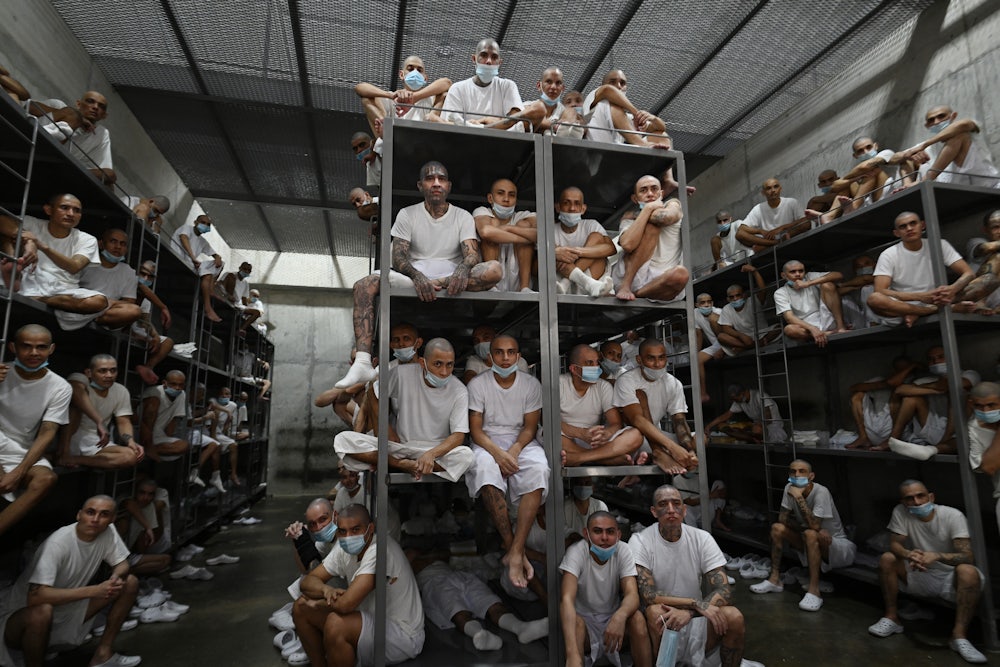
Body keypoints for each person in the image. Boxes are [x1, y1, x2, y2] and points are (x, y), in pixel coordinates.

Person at [334, 161, 501, 388]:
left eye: (441, 179)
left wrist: (461, 269)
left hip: (452, 279)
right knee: (363, 285)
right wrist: (418, 276)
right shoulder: (407, 214)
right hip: (412, 279)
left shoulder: (462, 216)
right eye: (430, 179)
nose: (436, 183)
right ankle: (362, 362)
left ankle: (439, 281)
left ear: (449, 186)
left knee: (494, 270)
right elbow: (399, 258)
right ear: (420, 185)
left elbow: (472, 255)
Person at [0, 495, 140, 667]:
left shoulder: (108, 531)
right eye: (90, 512)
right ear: (79, 515)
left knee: (129, 582)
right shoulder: (58, 543)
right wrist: (95, 590)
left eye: (104, 514)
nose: (95, 519)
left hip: (67, 610)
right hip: (21, 619)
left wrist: (115, 577)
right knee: (41, 612)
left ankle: (102, 655)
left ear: (112, 519)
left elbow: (122, 564)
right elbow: (35, 598)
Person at [630, 485, 760, 667]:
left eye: (676, 504)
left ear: (684, 510)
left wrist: (690, 612)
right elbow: (648, 595)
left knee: (734, 616)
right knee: (654, 612)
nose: (671, 509)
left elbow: (724, 591)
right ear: (654, 511)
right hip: (663, 621)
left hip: (694, 618)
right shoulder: (640, 541)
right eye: (663, 504)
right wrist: (695, 603)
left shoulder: (702, 538)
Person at [867, 480, 987, 664]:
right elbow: (895, 544)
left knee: (968, 571)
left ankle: (959, 636)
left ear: (931, 497)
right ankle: (892, 618)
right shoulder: (901, 511)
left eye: (920, 496)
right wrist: (909, 554)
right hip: (919, 571)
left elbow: (967, 556)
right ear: (903, 502)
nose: (916, 502)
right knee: (887, 559)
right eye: (910, 498)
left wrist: (937, 556)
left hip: (949, 579)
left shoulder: (952, 516)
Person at [292, 504, 424, 667]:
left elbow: (346, 604)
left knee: (336, 624)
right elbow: (307, 582)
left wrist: (324, 601)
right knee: (301, 606)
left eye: (355, 530)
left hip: (402, 635)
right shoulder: (343, 547)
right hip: (368, 621)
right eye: (342, 531)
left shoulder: (380, 550)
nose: (348, 537)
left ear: (370, 529)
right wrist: (326, 590)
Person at [466, 335, 548, 590]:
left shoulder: (531, 384)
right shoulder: (478, 384)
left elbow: (530, 427)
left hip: (520, 441)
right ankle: (514, 549)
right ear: (490, 357)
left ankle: (515, 549)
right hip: (487, 441)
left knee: (539, 468)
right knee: (484, 470)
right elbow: (475, 430)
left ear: (518, 356)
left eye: (511, 352)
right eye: (499, 352)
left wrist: (513, 450)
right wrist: (497, 454)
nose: (505, 358)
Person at [334, 338, 474, 481]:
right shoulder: (402, 373)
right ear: (422, 363)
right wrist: (384, 429)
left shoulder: (459, 390)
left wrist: (431, 454)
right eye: (438, 364)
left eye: (449, 365)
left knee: (466, 456)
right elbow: (373, 392)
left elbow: (458, 435)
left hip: (436, 451)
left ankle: (406, 465)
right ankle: (401, 464)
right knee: (343, 439)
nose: (444, 372)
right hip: (400, 446)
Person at [749, 459, 856, 612]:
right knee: (777, 528)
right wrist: (813, 528)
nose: (797, 475)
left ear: (811, 476)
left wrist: (799, 498)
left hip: (837, 546)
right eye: (793, 471)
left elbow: (815, 525)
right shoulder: (789, 488)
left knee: (810, 533)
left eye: (802, 471)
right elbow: (783, 519)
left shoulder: (821, 492)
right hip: (810, 538)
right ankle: (774, 579)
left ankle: (814, 591)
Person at [408, 549, 548, 651]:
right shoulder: (407, 563)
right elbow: (410, 556)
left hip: (460, 576)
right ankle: (479, 634)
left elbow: (446, 553)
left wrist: (430, 553)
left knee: (492, 603)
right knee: (458, 611)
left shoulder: (435, 556)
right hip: (434, 583)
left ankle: (521, 628)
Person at [0, 324, 67, 537]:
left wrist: (19, 471)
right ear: (13, 347)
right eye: (26, 346)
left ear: (51, 349)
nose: (34, 353)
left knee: (46, 479)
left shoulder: (60, 386)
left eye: (41, 347)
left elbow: (48, 431)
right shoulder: (1, 372)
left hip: (21, 448)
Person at [0, 194, 107, 326]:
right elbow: (2, 220)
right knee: (7, 236)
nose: (71, 214)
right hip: (27, 281)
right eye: (64, 208)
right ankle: (13, 268)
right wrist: (28, 241)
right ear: (48, 210)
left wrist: (41, 246)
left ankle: (38, 299)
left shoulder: (87, 239)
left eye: (76, 210)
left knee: (98, 302)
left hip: (61, 291)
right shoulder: (32, 223)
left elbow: (74, 266)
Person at [560, 510, 650, 667]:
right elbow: (566, 599)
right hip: (586, 625)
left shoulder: (623, 550)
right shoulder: (576, 552)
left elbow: (632, 594)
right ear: (586, 534)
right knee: (576, 623)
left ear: (618, 535)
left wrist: (620, 616)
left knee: (637, 618)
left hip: (612, 619)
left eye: (610, 532)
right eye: (597, 531)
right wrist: (571, 654)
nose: (604, 537)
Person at [867, 211, 975, 327]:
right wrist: (920, 296)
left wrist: (952, 289)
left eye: (913, 223)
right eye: (903, 227)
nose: (909, 228)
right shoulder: (888, 254)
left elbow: (969, 273)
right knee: (875, 299)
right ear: (897, 233)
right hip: (904, 306)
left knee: (985, 281)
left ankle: (921, 312)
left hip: (940, 300)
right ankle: (931, 311)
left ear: (922, 225)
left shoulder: (939, 244)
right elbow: (880, 290)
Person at [613, 338, 697, 475]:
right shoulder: (627, 380)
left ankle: (657, 456)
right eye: (651, 358)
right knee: (635, 436)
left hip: (658, 437)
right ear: (639, 360)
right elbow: (637, 419)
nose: (657, 364)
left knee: (699, 439)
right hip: (634, 438)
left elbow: (679, 421)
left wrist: (689, 449)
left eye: (661, 358)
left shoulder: (673, 383)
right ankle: (656, 455)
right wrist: (673, 447)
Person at [882, 346, 978, 458]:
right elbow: (900, 390)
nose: (936, 362)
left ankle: (945, 439)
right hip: (932, 429)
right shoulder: (926, 380)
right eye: (931, 359)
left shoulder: (969, 374)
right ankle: (893, 439)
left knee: (955, 392)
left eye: (941, 357)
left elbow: (954, 384)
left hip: (957, 431)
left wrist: (933, 388)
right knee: (910, 399)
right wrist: (936, 390)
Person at [560, 344, 643, 467]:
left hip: (595, 440)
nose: (596, 367)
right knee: (547, 434)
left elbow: (616, 423)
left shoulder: (603, 386)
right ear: (574, 369)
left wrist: (606, 433)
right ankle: (606, 460)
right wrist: (581, 433)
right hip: (567, 438)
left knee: (635, 435)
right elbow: (549, 422)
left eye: (597, 362)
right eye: (589, 363)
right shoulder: (559, 384)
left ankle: (581, 458)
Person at [58, 353, 143, 469]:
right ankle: (64, 453)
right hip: (69, 438)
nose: (109, 375)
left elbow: (123, 421)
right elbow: (76, 391)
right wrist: (99, 421)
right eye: (102, 371)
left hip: (97, 441)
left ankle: (73, 459)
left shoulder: (120, 390)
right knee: (75, 406)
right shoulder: (80, 379)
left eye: (113, 371)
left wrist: (131, 441)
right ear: (89, 372)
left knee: (130, 456)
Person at [612, 175, 688, 302]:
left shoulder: (672, 204)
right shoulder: (628, 220)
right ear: (635, 199)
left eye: (654, 189)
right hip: (633, 278)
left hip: (662, 283)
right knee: (652, 226)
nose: (650, 194)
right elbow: (628, 245)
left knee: (681, 274)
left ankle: (638, 294)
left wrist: (645, 211)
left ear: (661, 194)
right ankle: (626, 285)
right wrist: (648, 208)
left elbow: (665, 217)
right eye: (643, 190)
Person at [432, 38, 533, 130]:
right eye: (484, 55)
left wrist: (480, 122)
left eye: (494, 57)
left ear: (499, 63)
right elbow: (450, 124)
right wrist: (490, 122)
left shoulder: (507, 86)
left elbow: (516, 119)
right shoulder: (457, 89)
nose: (489, 61)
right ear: (474, 59)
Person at [896, 105, 1000, 188]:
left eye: (941, 116)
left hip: (989, 187)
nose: (936, 122)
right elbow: (893, 158)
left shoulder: (966, 131)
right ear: (927, 125)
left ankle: (925, 181)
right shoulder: (928, 149)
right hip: (959, 194)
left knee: (959, 136)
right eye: (931, 120)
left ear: (953, 116)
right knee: (906, 158)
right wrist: (909, 158)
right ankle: (909, 188)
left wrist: (924, 145)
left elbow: (963, 124)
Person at [29, 92, 116, 185]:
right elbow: (28, 105)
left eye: (101, 106)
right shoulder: (59, 106)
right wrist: (78, 118)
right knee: (71, 114)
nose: (95, 107)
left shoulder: (101, 133)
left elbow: (107, 173)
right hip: (36, 144)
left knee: (110, 176)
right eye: (90, 101)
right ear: (78, 104)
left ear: (104, 115)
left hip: (60, 169)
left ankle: (63, 169)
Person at [354, 54, 451, 134]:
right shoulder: (393, 98)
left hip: (422, 138)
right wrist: (390, 96)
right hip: (394, 138)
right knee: (367, 99)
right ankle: (385, 126)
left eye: (419, 70)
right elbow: (360, 88)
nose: (415, 72)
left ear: (425, 78)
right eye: (410, 69)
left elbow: (447, 82)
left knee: (444, 95)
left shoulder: (431, 97)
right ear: (401, 74)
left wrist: (414, 97)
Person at [70, 227, 144, 331]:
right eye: (113, 241)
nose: (118, 247)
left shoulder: (129, 272)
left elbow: (129, 302)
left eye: (123, 244)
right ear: (101, 244)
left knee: (134, 311)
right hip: (81, 305)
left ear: (126, 249)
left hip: (105, 313)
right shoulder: (86, 262)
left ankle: (94, 319)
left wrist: (109, 303)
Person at [472, 178, 537, 292]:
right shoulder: (482, 211)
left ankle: (525, 288)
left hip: (517, 283)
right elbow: (486, 232)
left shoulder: (524, 216)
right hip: (488, 284)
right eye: (500, 193)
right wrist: (526, 238)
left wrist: (508, 228)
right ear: (490, 198)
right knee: (493, 227)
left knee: (524, 225)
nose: (506, 199)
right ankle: (492, 286)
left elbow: (541, 234)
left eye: (511, 195)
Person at [844, 356, 920, 450]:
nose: (901, 373)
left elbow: (895, 385)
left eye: (905, 370)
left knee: (896, 395)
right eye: (899, 370)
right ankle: (863, 437)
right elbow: (853, 388)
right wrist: (884, 384)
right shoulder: (882, 380)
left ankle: (893, 438)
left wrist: (910, 369)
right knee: (857, 396)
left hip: (899, 433)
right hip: (873, 431)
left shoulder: (914, 382)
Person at [553, 186, 616, 297]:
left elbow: (611, 249)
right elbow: (536, 264)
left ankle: (566, 282)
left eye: (577, 204)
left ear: (583, 209)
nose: (572, 208)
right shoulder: (550, 229)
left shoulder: (591, 225)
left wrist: (576, 251)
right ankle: (587, 283)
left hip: (583, 283)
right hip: (558, 284)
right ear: (558, 207)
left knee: (597, 237)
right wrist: (556, 254)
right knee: (552, 254)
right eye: (566, 203)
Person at [773, 260, 847, 347]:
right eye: (793, 272)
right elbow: (789, 318)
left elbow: (838, 275)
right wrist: (812, 328)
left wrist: (809, 283)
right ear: (783, 275)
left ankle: (841, 327)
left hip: (825, 316)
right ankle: (825, 334)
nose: (798, 274)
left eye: (801, 271)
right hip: (806, 326)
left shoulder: (809, 277)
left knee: (828, 285)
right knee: (789, 329)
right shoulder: (780, 292)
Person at [171, 214, 225, 323]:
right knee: (207, 274)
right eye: (203, 222)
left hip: (192, 264)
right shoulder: (187, 228)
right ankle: (208, 308)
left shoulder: (202, 241)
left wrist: (217, 257)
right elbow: (183, 238)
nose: (205, 225)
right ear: (195, 222)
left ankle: (210, 290)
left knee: (221, 263)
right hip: (179, 258)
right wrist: (193, 258)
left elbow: (214, 254)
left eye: (208, 224)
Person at [131, 260, 175, 385]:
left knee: (167, 342)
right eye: (143, 273)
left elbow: (144, 322)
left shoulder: (147, 300)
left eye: (150, 276)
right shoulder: (126, 285)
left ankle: (148, 367)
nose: (145, 278)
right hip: (119, 323)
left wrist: (155, 336)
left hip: (134, 329)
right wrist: (163, 307)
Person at [116, 478, 172, 576]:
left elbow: (142, 538)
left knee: (166, 560)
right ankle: (119, 570)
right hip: (114, 554)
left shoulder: (149, 507)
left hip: (127, 555)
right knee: (123, 523)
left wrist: (141, 556)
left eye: (150, 494)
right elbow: (129, 504)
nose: (146, 497)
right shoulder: (126, 499)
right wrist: (148, 527)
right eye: (142, 493)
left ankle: (123, 571)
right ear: (135, 492)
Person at [715, 268, 776, 355]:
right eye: (732, 297)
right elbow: (726, 328)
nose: (735, 299)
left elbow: (763, 290)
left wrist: (755, 272)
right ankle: (756, 345)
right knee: (721, 336)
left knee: (778, 328)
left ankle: (745, 347)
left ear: (744, 295)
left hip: (762, 333)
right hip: (743, 338)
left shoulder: (753, 300)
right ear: (728, 299)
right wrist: (740, 335)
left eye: (738, 295)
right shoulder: (727, 308)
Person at [705, 383, 788, 444]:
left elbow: (768, 417)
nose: (735, 402)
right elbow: (726, 415)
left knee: (756, 429)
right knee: (723, 427)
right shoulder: (739, 401)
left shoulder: (759, 395)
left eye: (736, 399)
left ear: (742, 393)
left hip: (771, 427)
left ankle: (754, 438)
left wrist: (758, 425)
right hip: (755, 428)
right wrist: (709, 426)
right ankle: (753, 439)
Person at [968, 382, 1000, 535]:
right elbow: (988, 467)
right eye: (979, 406)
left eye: (991, 405)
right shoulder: (973, 428)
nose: (986, 411)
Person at [139, 370, 190, 461]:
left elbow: (173, 419)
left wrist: (167, 439)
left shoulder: (182, 394)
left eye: (181, 385)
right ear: (164, 383)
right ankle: (147, 447)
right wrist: (148, 442)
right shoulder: (155, 391)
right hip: (141, 432)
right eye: (173, 384)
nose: (177, 388)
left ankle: (148, 450)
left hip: (158, 435)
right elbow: (138, 417)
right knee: (154, 401)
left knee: (184, 446)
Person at [741, 178, 809, 241]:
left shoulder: (792, 202)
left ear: (780, 189)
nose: (773, 190)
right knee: (740, 234)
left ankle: (780, 240)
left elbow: (804, 221)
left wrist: (782, 228)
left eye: (776, 187)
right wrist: (760, 231)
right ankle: (775, 242)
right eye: (768, 188)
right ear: (763, 193)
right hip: (770, 241)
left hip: (789, 237)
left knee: (806, 224)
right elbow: (742, 228)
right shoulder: (758, 208)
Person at [521, 66, 581, 136]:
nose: (553, 87)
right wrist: (555, 126)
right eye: (549, 82)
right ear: (539, 86)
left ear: (562, 88)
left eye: (558, 83)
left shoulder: (567, 112)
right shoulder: (525, 106)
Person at [284, 497, 339, 574]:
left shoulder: (343, 544)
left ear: (335, 515)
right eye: (313, 524)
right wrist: (297, 538)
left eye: (323, 519)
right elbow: (306, 570)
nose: (319, 527)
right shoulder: (323, 543)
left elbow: (314, 572)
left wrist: (305, 543)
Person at [960, 209, 1000, 313]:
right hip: (973, 297)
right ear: (986, 230)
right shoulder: (976, 242)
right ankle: (981, 303)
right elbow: (987, 248)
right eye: (996, 227)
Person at [462, 324, 529, 383]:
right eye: (476, 340)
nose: (481, 343)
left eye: (486, 338)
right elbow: (470, 380)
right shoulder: (473, 360)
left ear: (496, 338)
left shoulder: (519, 362)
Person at [694, 292, 724, 403]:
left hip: (728, 342)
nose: (706, 305)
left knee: (713, 318)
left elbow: (730, 332)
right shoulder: (695, 313)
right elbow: (699, 334)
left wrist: (722, 349)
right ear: (697, 305)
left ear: (712, 303)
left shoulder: (720, 312)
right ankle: (703, 393)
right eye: (703, 303)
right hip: (716, 344)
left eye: (709, 302)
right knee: (697, 359)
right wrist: (695, 354)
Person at [216, 261, 260, 333]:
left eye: (248, 270)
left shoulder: (246, 283)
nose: (246, 271)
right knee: (232, 277)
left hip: (237, 304)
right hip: (226, 299)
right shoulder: (230, 275)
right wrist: (227, 295)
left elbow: (244, 300)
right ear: (240, 268)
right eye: (245, 269)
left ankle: (241, 329)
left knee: (257, 313)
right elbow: (219, 285)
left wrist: (247, 311)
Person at [837, 255, 878, 330]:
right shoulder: (854, 283)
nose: (863, 268)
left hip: (880, 318)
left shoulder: (880, 277)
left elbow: (865, 279)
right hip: (861, 320)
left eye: (867, 264)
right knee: (844, 299)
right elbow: (836, 292)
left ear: (874, 264)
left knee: (867, 289)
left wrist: (843, 284)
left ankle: (874, 324)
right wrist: (852, 288)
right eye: (858, 266)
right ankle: (847, 327)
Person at [563, 477, 610, 542]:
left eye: (587, 483)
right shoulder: (563, 507)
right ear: (572, 486)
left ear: (593, 487)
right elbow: (561, 529)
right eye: (579, 483)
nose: (583, 487)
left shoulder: (600, 506)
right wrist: (573, 535)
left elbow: (605, 530)